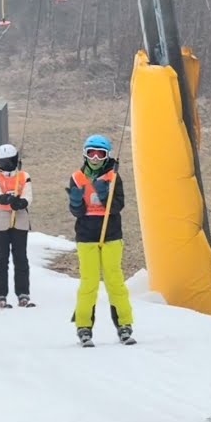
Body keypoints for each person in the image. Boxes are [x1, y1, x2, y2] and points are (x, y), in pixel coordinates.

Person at [67, 134, 135, 347]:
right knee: (89, 282)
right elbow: (76, 212)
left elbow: (117, 207)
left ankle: (124, 325)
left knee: (115, 280)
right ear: (85, 154)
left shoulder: (114, 177)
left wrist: (106, 196)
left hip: (111, 235)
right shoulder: (77, 177)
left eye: (101, 154)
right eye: (91, 153)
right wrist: (76, 203)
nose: (95, 158)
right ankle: (84, 326)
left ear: (107, 156)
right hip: (87, 236)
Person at [0, 143, 35, 308]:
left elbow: (28, 194)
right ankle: (0, 294)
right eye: (3, 162)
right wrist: (6, 199)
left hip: (20, 215)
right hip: (0, 217)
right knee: (1, 257)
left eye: (9, 161)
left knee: (20, 257)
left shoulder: (23, 175)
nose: (6, 165)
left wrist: (21, 202)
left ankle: (23, 293)